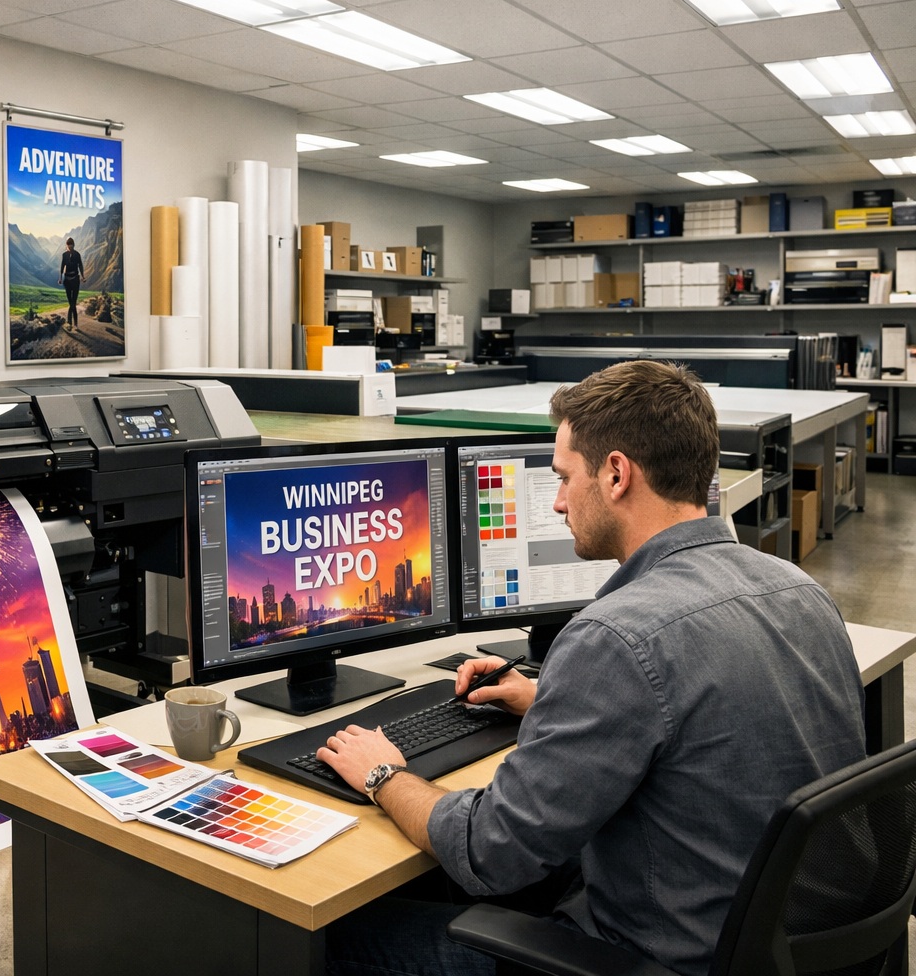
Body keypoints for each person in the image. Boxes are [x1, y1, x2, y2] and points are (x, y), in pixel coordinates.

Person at [319, 360, 866, 976]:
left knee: (337, 938)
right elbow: (707, 715)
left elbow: (489, 852)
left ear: (615, 475)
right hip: (790, 949)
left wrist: (383, 774)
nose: (554, 502)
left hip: (664, 959)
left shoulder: (616, 636)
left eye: (562, 476)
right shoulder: (798, 588)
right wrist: (549, 700)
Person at [59, 237, 83, 331]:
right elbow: (62, 267)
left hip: (76, 280)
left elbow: (80, 265)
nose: (70, 247)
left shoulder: (77, 254)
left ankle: (72, 323)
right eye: (68, 245)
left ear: (73, 245)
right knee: (71, 302)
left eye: (71, 245)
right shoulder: (64, 255)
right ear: (67, 245)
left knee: (73, 303)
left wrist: (83, 276)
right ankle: (73, 324)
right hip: (67, 281)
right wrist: (60, 278)